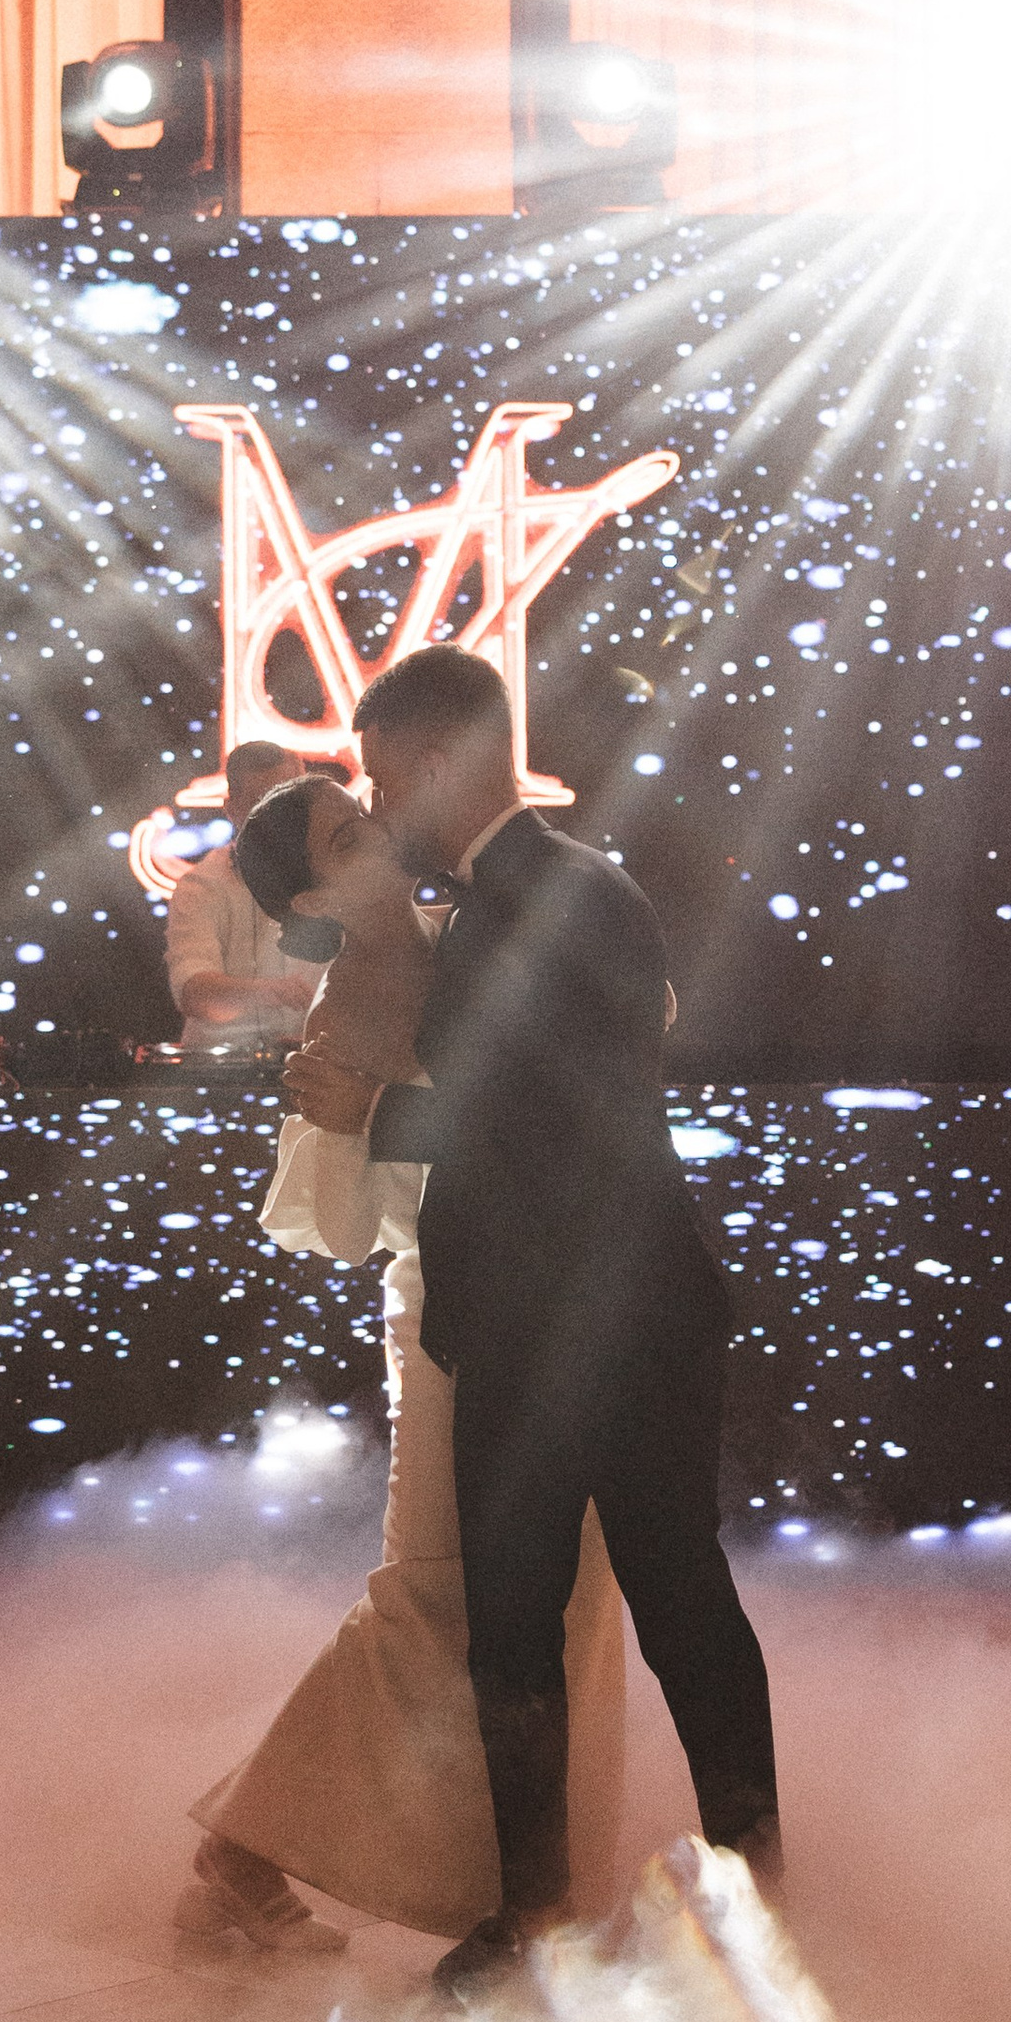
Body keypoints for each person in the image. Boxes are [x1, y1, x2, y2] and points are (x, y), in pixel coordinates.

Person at [285, 644, 781, 1997]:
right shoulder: (555, 893)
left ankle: (611, 1903)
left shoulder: (546, 899)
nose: (384, 806)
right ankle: (581, 1907)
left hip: (579, 1321)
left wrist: (369, 1110)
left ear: (446, 760)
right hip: (576, 1316)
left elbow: (537, 1107)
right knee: (578, 1614)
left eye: (390, 775)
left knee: (621, 1607)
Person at [177, 771, 625, 1956]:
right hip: (446, 1314)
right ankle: (239, 1858)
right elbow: (337, 1223)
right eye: (346, 836)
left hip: (558, 1302)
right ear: (316, 891)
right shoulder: (344, 1010)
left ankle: (532, 1887)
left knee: (574, 1592)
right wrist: (356, 1118)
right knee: (433, 1595)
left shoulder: (457, 935)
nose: (378, 834)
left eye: (365, 814)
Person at [164, 742, 338, 1047]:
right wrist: (270, 992)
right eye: (263, 804)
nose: (281, 817)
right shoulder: (202, 885)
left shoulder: (339, 878)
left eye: (290, 799)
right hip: (224, 1077)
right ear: (232, 810)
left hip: (320, 1064)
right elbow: (194, 994)